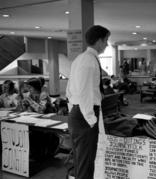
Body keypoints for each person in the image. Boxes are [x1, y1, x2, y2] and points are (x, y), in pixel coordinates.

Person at [66, 25, 110, 179]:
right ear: (99, 41)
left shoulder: (81, 59)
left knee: (81, 162)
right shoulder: (88, 61)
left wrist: (75, 109)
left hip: (79, 112)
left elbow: (69, 91)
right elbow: (85, 94)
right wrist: (91, 119)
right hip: (85, 116)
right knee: (85, 163)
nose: (107, 44)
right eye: (106, 41)